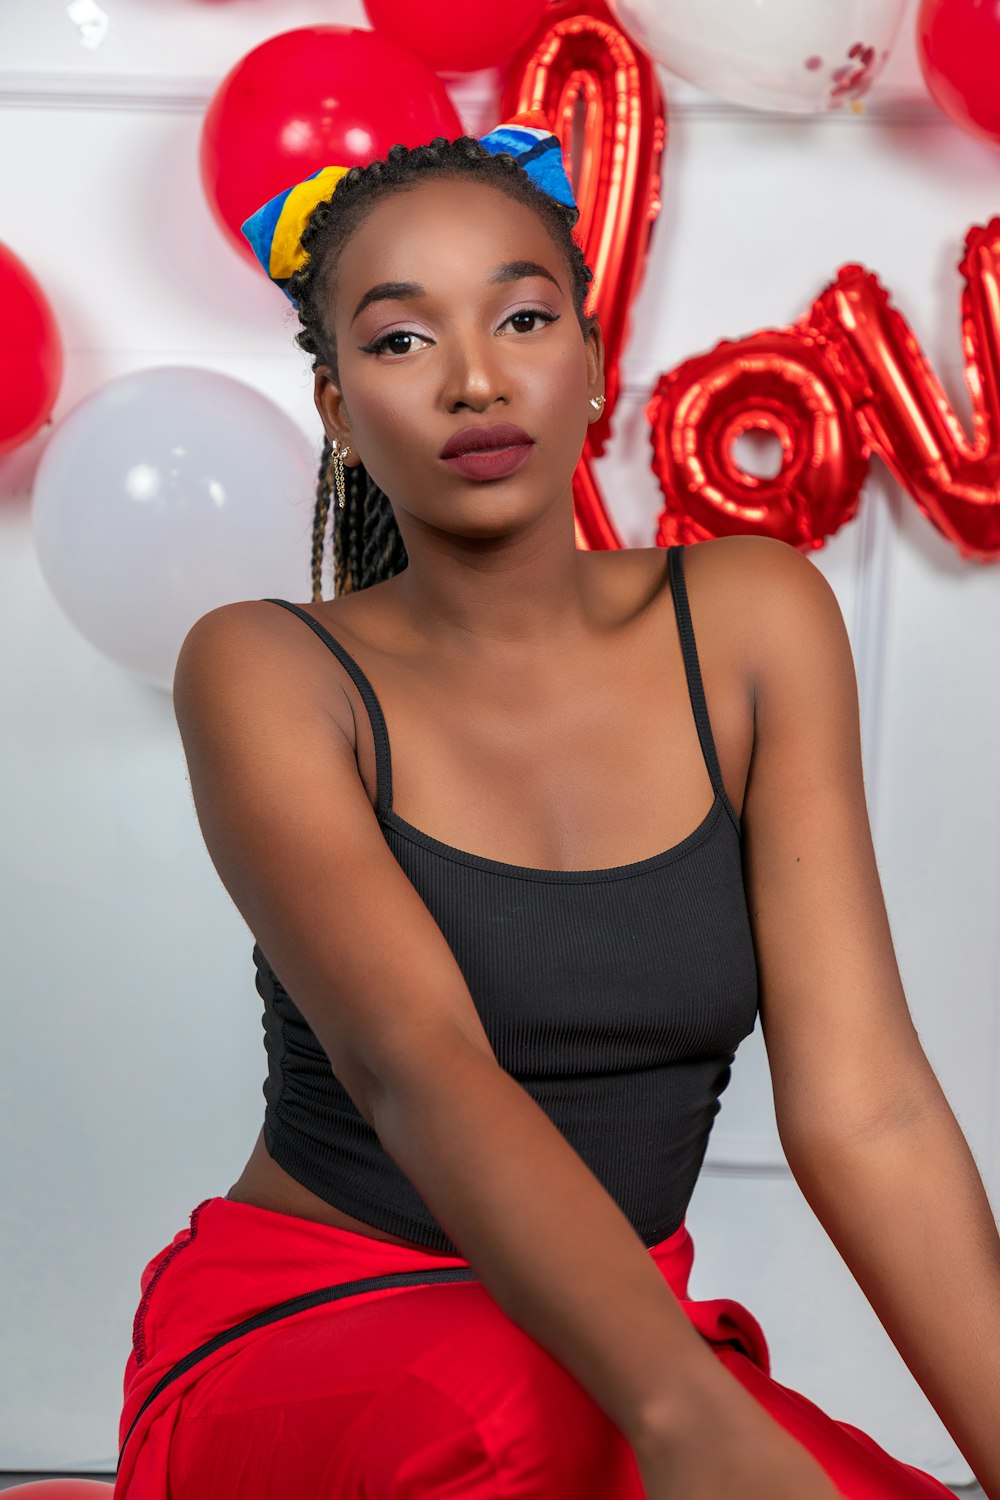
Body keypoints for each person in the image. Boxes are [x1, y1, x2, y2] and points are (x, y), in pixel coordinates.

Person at [113, 120, 1000, 1500]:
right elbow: (420, 1066)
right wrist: (682, 1416)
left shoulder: (756, 619)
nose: (476, 378)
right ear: (339, 408)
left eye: (524, 317)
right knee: (529, 1445)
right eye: (402, 340)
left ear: (590, 357)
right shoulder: (270, 669)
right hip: (320, 1323)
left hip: (615, 1336)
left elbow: (865, 1107)